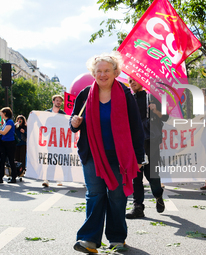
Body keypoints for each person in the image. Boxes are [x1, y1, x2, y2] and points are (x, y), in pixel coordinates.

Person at [69, 52, 144, 254]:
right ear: (93, 73)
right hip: (93, 155)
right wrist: (74, 123)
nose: (102, 75)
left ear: (115, 72)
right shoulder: (85, 94)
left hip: (120, 156)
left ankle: (117, 238)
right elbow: (74, 123)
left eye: (107, 71)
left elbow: (136, 128)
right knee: (94, 195)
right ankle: (89, 240)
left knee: (118, 197)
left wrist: (138, 158)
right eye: (99, 71)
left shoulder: (126, 94)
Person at [125, 77, 167, 219]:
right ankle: (138, 207)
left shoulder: (152, 97)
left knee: (151, 174)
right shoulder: (128, 99)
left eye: (134, 80)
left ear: (141, 81)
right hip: (133, 142)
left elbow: (165, 117)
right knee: (136, 175)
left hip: (151, 141)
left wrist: (156, 111)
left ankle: (158, 194)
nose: (132, 83)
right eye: (130, 81)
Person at [43, 94, 65, 187]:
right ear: (53, 101)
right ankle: (47, 180)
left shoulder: (63, 114)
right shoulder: (46, 113)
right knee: (51, 161)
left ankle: (58, 179)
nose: (58, 102)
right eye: (57, 100)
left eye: (60, 101)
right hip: (50, 141)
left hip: (60, 142)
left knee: (60, 161)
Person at [0, 107, 17, 184]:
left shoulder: (10, 122)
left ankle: (13, 177)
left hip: (10, 143)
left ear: (4, 113)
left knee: (11, 160)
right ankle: (0, 177)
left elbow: (4, 132)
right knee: (1, 160)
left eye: (1, 113)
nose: (0, 115)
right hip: (4, 142)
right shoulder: (5, 122)